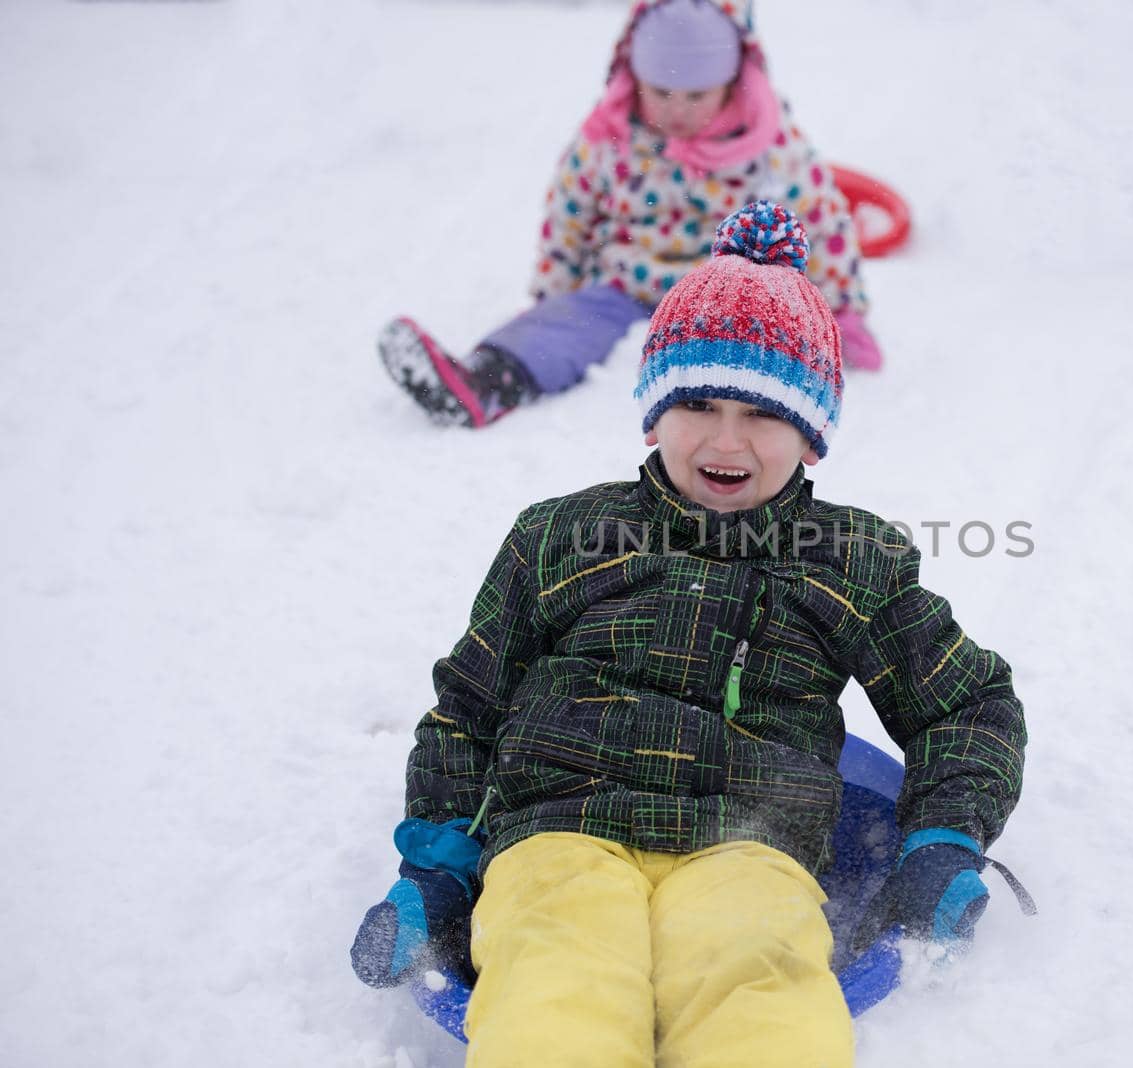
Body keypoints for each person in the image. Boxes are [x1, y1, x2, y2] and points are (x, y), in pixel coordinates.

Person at [352, 203, 1023, 1067]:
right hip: (560, 831)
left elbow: (966, 704)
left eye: (765, 413)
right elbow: (470, 712)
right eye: (698, 402)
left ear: (813, 435)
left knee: (758, 980)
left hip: (748, 841)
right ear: (652, 412)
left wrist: (943, 836)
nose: (726, 439)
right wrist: (437, 871)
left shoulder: (850, 560)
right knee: (556, 976)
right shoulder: (560, 538)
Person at [379, 0, 882, 430]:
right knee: (566, 327)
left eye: (696, 96)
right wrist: (555, 297)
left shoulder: (765, 146)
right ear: (634, 75)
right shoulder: (612, 138)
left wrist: (841, 312)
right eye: (661, 92)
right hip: (627, 290)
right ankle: (486, 380)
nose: (677, 109)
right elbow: (570, 215)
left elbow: (823, 220)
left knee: (756, 351)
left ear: (732, 83)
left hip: (726, 296)